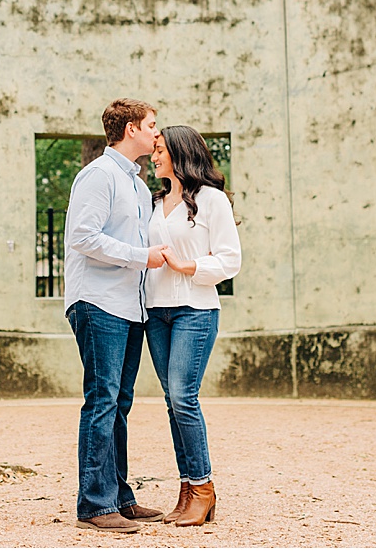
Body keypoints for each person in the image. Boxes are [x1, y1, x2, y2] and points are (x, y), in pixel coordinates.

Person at [64, 98, 167, 533]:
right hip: (98, 302)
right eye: (151, 126)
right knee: (103, 400)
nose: (156, 134)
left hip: (130, 306)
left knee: (120, 404)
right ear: (129, 130)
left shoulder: (140, 187)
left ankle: (120, 497)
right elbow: (84, 237)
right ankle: (93, 503)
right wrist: (141, 256)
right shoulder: (98, 175)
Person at [145, 125, 241, 526]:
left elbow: (231, 259)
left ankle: (203, 488)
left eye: (160, 150)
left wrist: (191, 266)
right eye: (153, 149)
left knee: (184, 398)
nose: (153, 156)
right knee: (172, 402)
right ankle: (187, 492)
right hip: (156, 313)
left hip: (194, 310)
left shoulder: (211, 200)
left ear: (181, 153)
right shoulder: (153, 201)